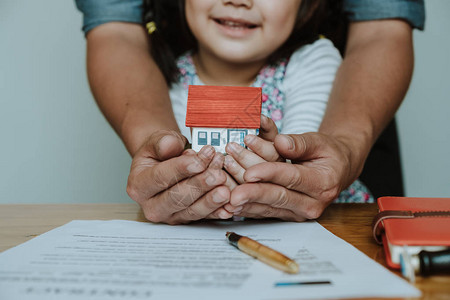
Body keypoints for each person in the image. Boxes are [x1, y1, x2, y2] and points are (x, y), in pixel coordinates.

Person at [75, 0, 425, 223]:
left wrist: (279, 162)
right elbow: (180, 162)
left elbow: (299, 158)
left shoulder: (314, 62)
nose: (238, 1)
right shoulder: (166, 80)